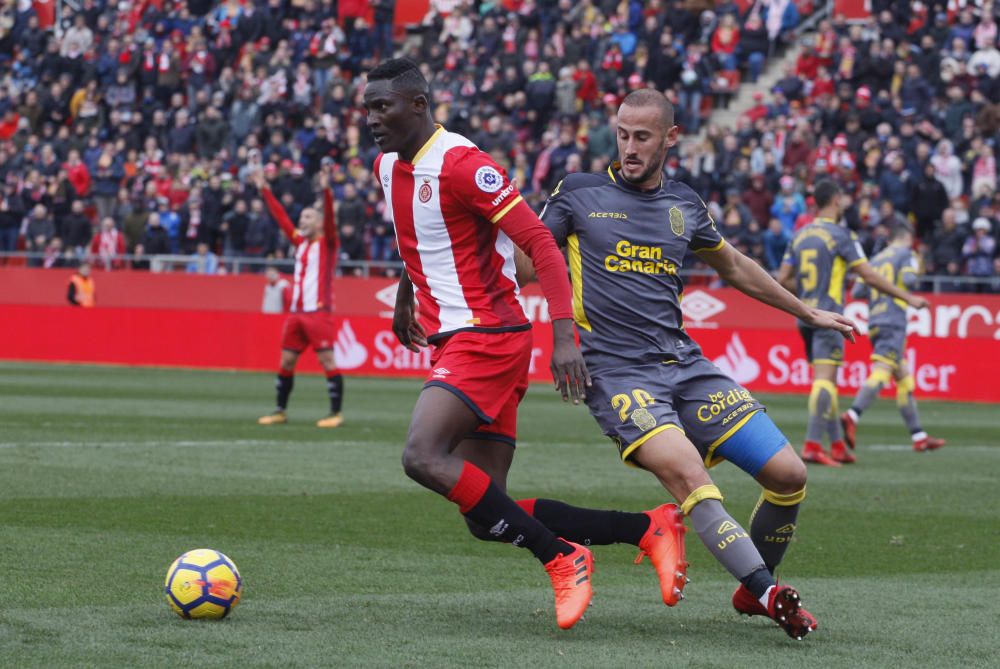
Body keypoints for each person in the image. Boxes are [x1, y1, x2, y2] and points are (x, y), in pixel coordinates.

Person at [522, 90, 858, 640]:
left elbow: (734, 265)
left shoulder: (685, 205)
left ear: (670, 138)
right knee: (691, 478)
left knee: (789, 475)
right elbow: (526, 261)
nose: (628, 148)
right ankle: (772, 594)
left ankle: (753, 590)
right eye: (622, 135)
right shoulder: (578, 193)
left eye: (642, 137)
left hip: (685, 365)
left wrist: (806, 311)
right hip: (616, 373)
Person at [364, 58, 687, 632]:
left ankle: (562, 558)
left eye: (381, 106)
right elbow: (419, 235)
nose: (371, 119)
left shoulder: (464, 165)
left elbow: (541, 243)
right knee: (486, 512)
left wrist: (564, 336)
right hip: (459, 336)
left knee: (421, 456)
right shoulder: (388, 166)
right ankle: (647, 527)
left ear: (418, 104)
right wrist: (404, 295)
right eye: (367, 108)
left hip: (485, 336)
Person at [777, 180, 929, 467]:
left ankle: (837, 444)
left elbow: (782, 278)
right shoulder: (841, 235)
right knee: (825, 380)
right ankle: (811, 444)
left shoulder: (800, 235)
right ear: (836, 200)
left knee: (827, 381)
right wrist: (908, 298)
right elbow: (869, 277)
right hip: (831, 317)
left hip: (804, 314)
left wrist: (807, 296)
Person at [842, 225, 945, 454]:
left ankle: (919, 436)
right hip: (894, 320)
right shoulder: (907, 254)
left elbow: (858, 292)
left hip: (876, 320)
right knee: (882, 370)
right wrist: (916, 266)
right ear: (907, 238)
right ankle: (852, 415)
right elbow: (909, 280)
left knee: (905, 380)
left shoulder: (876, 259)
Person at [255, 166, 345, 428]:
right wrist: (264, 189)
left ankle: (335, 413)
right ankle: (280, 410)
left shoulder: (328, 243)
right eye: (301, 218)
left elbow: (329, 217)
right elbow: (281, 217)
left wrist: (327, 190)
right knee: (286, 361)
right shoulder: (300, 242)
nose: (300, 222)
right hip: (296, 313)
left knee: (327, 360)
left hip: (318, 312)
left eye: (306, 218)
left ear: (317, 222)